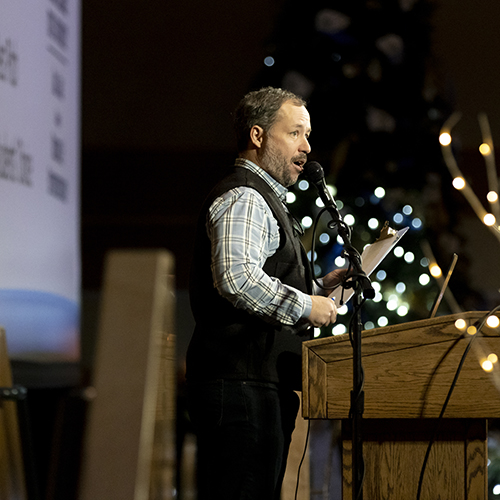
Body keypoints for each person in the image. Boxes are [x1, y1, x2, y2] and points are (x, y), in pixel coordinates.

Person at [186, 86, 343, 500]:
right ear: (257, 136)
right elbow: (237, 279)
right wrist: (306, 305)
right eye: (295, 133)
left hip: (252, 386)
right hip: (239, 387)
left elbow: (255, 277)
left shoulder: (262, 197)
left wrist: (319, 288)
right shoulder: (245, 196)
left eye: (308, 135)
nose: (307, 147)